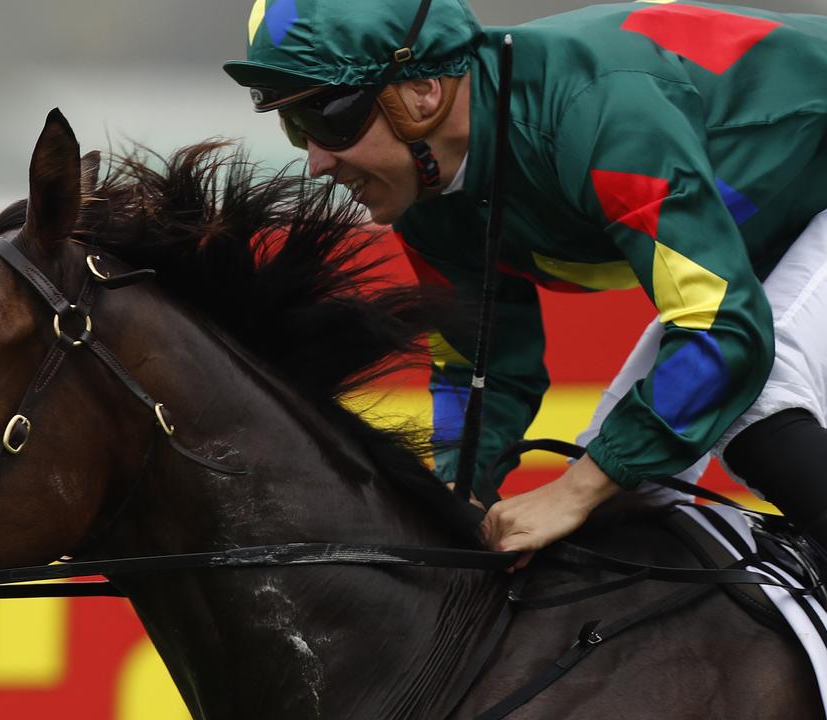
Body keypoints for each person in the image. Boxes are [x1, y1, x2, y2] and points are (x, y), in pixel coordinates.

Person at [223, 0, 827, 565]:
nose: (317, 161)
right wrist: (455, 497)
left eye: (324, 117)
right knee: (625, 492)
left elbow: (725, 335)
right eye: (292, 127)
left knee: (751, 400)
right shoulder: (428, 195)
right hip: (789, 216)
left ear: (423, 91)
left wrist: (574, 490)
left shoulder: (598, 118)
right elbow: (482, 367)